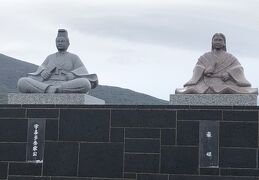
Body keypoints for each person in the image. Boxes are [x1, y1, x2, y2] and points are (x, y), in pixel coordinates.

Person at [17, 29, 98, 93]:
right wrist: (42, 71)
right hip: (46, 83)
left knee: (85, 83)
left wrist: (73, 74)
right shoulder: (50, 57)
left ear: (68, 43)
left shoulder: (74, 57)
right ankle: (49, 89)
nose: (60, 43)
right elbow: (40, 69)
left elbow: (83, 71)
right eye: (58, 41)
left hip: (65, 84)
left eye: (62, 41)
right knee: (22, 82)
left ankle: (58, 90)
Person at [175, 33, 257, 94]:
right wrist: (204, 71)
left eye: (220, 40)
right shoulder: (205, 56)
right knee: (189, 91)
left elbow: (238, 68)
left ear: (224, 43)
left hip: (225, 83)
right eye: (215, 40)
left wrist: (229, 74)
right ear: (212, 42)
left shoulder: (231, 57)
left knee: (238, 91)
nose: (218, 42)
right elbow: (198, 68)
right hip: (205, 83)